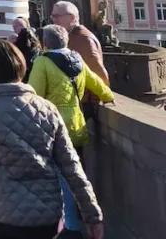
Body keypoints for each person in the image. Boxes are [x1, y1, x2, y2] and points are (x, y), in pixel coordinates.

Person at [0, 40, 105, 239]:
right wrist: (92, 216)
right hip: (46, 214)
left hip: (4, 214)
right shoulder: (47, 108)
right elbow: (72, 167)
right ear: (22, 68)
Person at [29, 25, 115, 238]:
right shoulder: (77, 60)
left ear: (46, 43)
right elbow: (98, 85)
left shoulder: (43, 61)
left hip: (53, 127)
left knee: (61, 178)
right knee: (75, 174)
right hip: (76, 125)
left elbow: (35, 95)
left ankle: (70, 227)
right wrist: (109, 98)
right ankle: (75, 220)